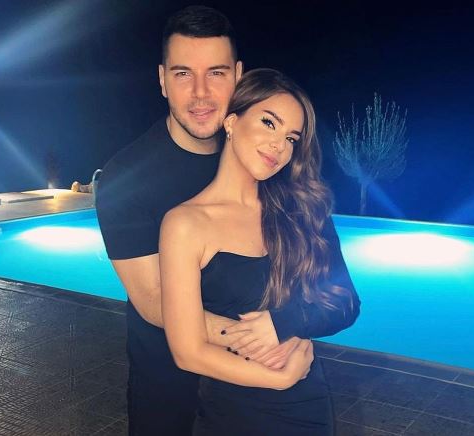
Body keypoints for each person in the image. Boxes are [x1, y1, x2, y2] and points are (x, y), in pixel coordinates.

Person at [96, 6, 359, 436]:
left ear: (238, 76)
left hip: (269, 397)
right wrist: (268, 339)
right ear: (162, 79)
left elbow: (327, 290)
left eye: (216, 73)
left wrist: (290, 324)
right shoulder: (125, 179)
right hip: (167, 386)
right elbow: (155, 300)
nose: (200, 93)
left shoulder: (265, 165)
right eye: (183, 73)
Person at [159, 68, 359, 436]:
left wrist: (284, 323)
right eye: (269, 123)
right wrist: (278, 379)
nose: (279, 146)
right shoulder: (184, 223)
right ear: (231, 122)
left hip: (306, 409)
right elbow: (187, 351)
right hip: (230, 413)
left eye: (291, 138)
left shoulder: (302, 210)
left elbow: (345, 303)